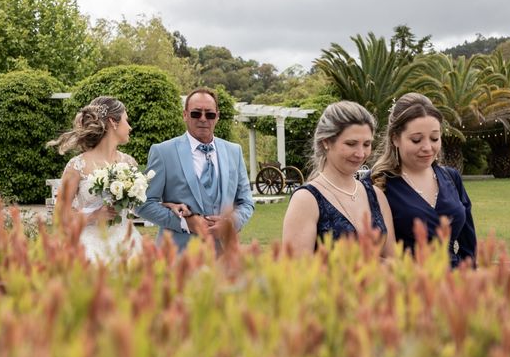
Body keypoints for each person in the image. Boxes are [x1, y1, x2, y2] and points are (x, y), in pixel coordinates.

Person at [135, 87, 254, 251]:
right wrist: (185, 223)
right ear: (185, 115)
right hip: (178, 255)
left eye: (210, 114)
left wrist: (230, 223)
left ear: (217, 117)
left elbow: (246, 201)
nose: (203, 119)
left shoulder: (234, 151)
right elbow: (144, 204)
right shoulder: (163, 152)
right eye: (196, 113)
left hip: (224, 257)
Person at [371, 92, 477, 268]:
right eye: (416, 139)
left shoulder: (452, 178)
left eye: (434, 138)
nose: (427, 147)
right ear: (395, 138)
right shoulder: (377, 183)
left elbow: (469, 248)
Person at [282, 101, 395, 256]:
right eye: (351, 144)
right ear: (326, 142)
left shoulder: (376, 196)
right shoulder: (306, 200)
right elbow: (297, 272)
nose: (361, 153)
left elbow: (394, 262)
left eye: (367, 144)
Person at [47, 96, 144, 265]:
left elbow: (140, 207)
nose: (130, 127)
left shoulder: (129, 163)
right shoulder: (77, 166)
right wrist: (93, 216)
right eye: (126, 121)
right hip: (89, 247)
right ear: (113, 122)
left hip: (126, 243)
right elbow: (59, 217)